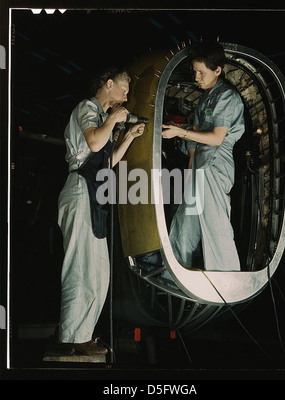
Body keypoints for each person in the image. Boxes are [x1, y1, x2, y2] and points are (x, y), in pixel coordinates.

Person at [57, 68, 145, 356]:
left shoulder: (102, 118)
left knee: (97, 271)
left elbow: (107, 162)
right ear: (109, 84)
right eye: (123, 90)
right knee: (80, 267)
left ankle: (81, 334)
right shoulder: (87, 108)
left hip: (94, 193)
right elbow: (94, 142)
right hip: (81, 188)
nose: (126, 96)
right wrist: (112, 120)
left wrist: (129, 135)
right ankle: (72, 337)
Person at [162, 42, 244, 271]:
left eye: (202, 72)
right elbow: (195, 140)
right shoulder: (205, 98)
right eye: (194, 71)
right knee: (184, 225)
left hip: (216, 166)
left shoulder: (227, 97)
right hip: (199, 167)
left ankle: (226, 280)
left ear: (217, 70)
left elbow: (217, 138)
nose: (197, 77)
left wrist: (180, 131)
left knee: (215, 227)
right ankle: (176, 277)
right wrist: (189, 175)